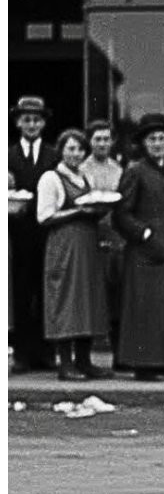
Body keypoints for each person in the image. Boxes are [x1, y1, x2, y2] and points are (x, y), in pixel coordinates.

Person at [113, 113, 164, 381]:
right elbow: (121, 214)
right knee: (147, 306)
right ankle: (144, 364)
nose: (157, 143)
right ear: (144, 143)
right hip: (145, 250)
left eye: (162, 138)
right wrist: (144, 233)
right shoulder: (135, 171)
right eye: (152, 139)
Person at [35, 128, 109, 380]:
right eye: (71, 148)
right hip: (64, 246)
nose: (76, 154)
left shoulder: (84, 178)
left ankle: (85, 360)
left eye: (79, 149)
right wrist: (78, 212)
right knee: (65, 300)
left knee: (87, 299)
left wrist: (98, 210)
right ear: (61, 150)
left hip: (87, 245)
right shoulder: (51, 178)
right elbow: (44, 216)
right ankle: (65, 363)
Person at [8, 95, 58, 372]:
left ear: (43, 123)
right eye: (26, 119)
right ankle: (23, 354)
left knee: (47, 291)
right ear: (17, 122)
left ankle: (46, 352)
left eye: (36, 120)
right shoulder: (8, 154)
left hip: (48, 232)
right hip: (17, 231)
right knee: (21, 291)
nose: (31, 124)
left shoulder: (54, 154)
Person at [82, 120, 125, 362]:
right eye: (97, 139)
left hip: (115, 234)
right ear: (90, 141)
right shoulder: (82, 167)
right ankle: (86, 354)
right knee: (91, 293)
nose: (101, 143)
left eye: (106, 139)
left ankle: (119, 352)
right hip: (90, 232)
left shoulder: (118, 168)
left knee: (116, 293)